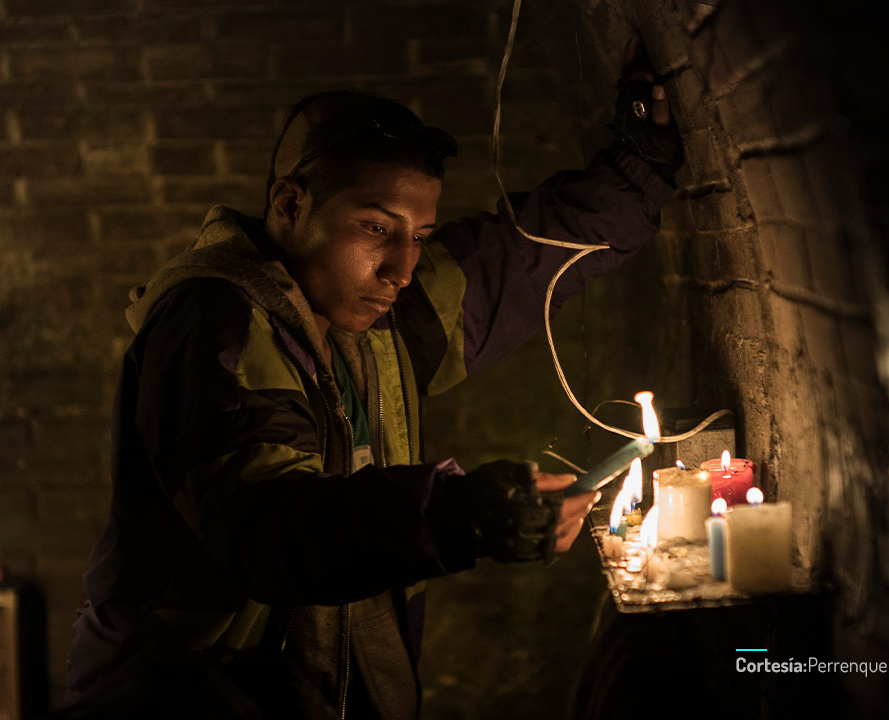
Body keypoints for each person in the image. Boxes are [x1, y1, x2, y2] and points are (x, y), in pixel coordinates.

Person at [62, 51, 682, 719]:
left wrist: (640, 169)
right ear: (290, 202)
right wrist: (457, 512)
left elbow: (518, 261)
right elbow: (267, 528)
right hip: (186, 698)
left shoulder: (372, 307)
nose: (402, 268)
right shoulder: (214, 319)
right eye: (376, 227)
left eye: (420, 235)